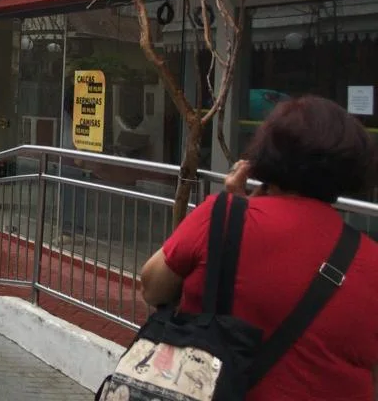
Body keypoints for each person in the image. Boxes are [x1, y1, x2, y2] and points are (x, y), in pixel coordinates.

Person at [138, 95, 378, 400]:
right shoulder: (370, 257)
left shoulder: (220, 219)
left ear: (265, 155)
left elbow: (152, 287)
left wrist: (240, 209)